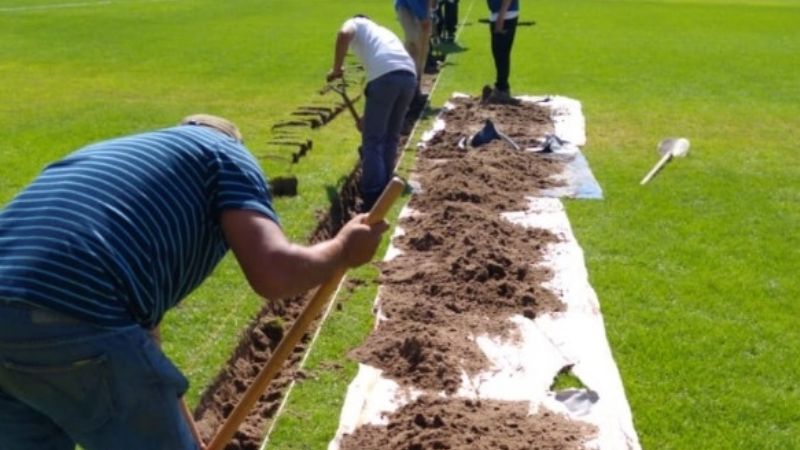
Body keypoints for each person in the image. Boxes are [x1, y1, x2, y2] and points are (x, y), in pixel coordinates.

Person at [0, 114, 389, 450]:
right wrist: (342, 249)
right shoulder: (227, 155)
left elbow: (147, 337)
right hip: (78, 307)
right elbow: (275, 272)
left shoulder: (127, 157)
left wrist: (184, 431)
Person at [327, 16, 417, 212]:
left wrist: (336, 69)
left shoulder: (356, 23)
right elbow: (391, 76)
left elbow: (343, 35)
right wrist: (368, 119)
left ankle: (372, 193)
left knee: (373, 140)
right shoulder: (383, 32)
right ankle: (385, 184)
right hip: (409, 77)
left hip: (385, 77)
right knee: (391, 136)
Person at [394, 0, 434, 110]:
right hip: (407, 6)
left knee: (423, 48)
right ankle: (407, 88)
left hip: (424, 9)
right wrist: (423, 17)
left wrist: (430, 12)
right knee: (414, 45)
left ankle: (417, 86)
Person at [485, 0, 520, 103]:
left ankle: (502, 88)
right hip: (499, 15)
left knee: (501, 54)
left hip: (505, 16)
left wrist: (500, 19)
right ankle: (501, 86)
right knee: (498, 54)